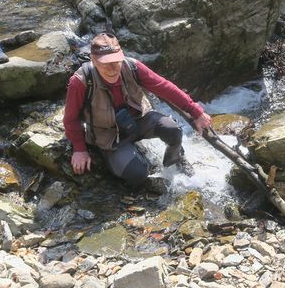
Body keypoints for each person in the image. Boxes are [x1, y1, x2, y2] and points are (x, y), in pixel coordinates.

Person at [63, 33, 213, 187]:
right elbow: (70, 119)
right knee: (138, 175)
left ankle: (175, 161)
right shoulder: (80, 82)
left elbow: (164, 87)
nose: (113, 68)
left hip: (138, 120)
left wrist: (196, 112)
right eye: (105, 63)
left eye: (116, 61)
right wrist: (79, 149)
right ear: (94, 60)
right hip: (109, 136)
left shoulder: (132, 67)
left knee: (173, 130)